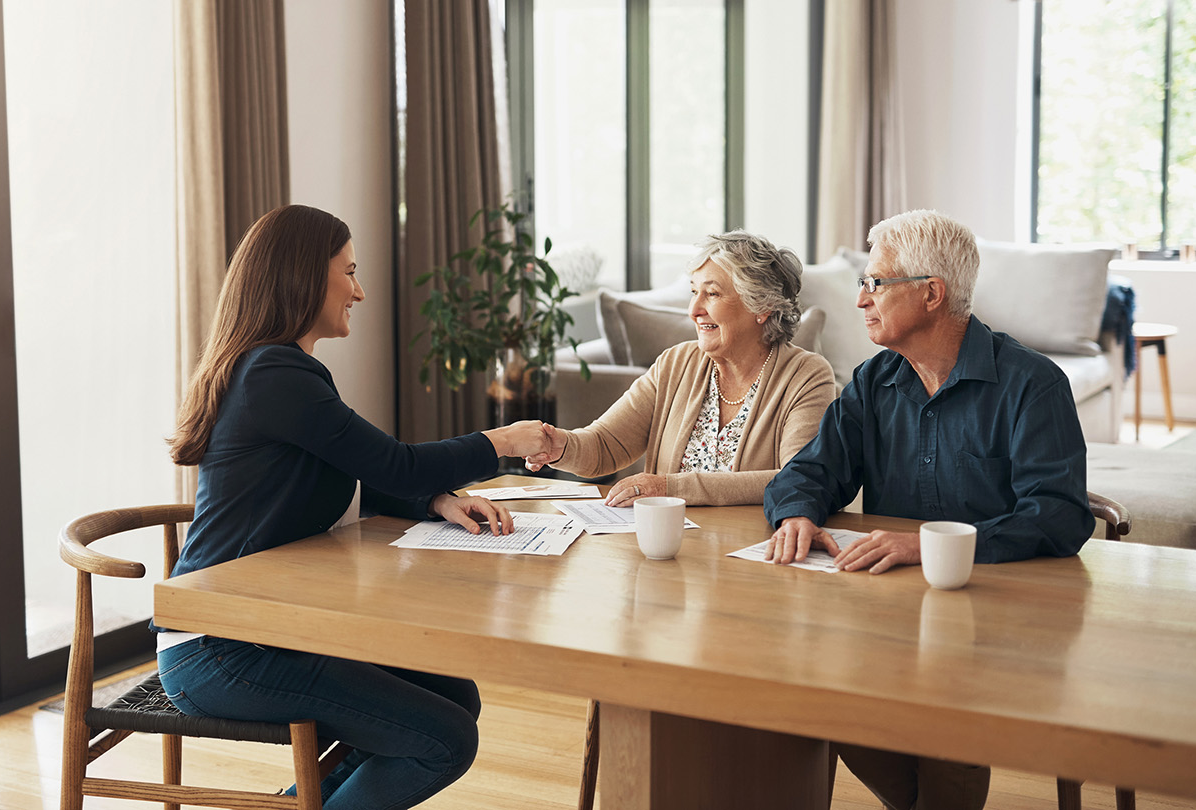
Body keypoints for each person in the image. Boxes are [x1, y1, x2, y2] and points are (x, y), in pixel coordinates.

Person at [158, 204, 550, 809]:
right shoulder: (274, 375)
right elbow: (395, 461)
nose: (360, 292)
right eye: (350, 272)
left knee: (455, 699)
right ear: (304, 276)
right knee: (442, 738)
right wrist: (502, 442)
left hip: (264, 631)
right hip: (224, 646)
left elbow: (360, 476)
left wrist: (438, 499)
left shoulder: (277, 369)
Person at [762, 209, 1094, 810]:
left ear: (932, 294)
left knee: (949, 711)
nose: (861, 299)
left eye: (875, 283)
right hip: (893, 613)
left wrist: (930, 545)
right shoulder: (871, 382)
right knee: (815, 691)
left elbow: (1059, 515)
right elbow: (809, 472)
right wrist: (797, 513)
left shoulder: (1033, 384)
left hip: (1002, 617)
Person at [525, 230, 836, 505]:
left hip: (750, 549)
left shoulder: (806, 375)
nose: (694, 310)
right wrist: (560, 446)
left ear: (762, 307)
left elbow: (798, 479)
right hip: (668, 546)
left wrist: (670, 487)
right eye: (693, 292)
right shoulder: (676, 364)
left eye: (712, 294)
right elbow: (607, 445)